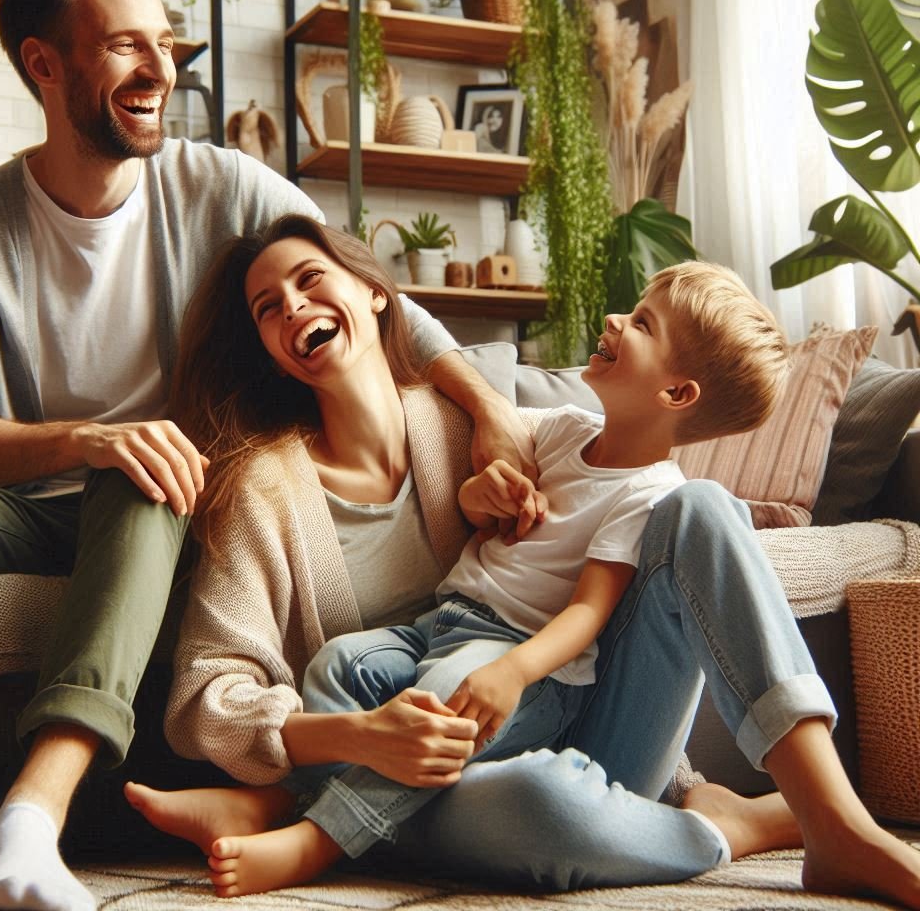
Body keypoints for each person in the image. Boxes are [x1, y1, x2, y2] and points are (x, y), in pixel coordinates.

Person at [0, 0, 522, 911]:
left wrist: (486, 407)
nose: (162, 66)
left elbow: (375, 294)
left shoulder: (219, 184)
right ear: (43, 64)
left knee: (151, 466)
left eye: (165, 39)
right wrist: (85, 435)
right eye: (125, 45)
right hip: (14, 501)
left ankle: (33, 814)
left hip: (152, 508)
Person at [125, 216, 920, 907]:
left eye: (310, 279)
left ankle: (833, 821)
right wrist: (359, 737)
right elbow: (207, 698)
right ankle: (723, 823)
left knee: (706, 508)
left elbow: (587, 594)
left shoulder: (475, 422)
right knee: (534, 801)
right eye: (269, 308)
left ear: (375, 291)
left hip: (567, 702)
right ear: (269, 348)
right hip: (462, 747)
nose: (293, 308)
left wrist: (486, 419)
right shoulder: (264, 486)